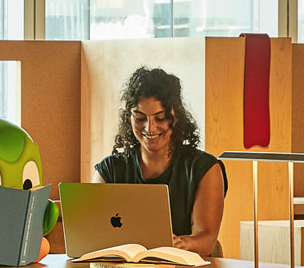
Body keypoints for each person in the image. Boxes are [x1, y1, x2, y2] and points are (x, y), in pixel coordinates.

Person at [93, 67, 227, 255]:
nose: (150, 128)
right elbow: (92, 234)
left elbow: (206, 239)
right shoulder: (109, 170)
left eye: (161, 118)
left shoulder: (204, 168)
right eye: (140, 118)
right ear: (129, 117)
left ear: (176, 116)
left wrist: (180, 243)